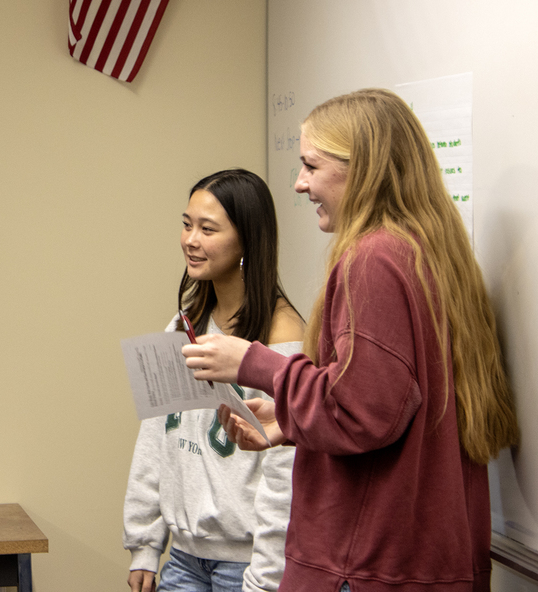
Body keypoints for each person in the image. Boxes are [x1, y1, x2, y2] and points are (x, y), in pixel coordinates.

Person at [184, 89, 521, 591]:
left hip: (364, 566)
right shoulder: (431, 251)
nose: (300, 184)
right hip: (419, 560)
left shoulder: (373, 259)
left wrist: (256, 364)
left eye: (311, 166)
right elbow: (389, 401)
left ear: (362, 168)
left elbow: (361, 415)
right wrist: (292, 419)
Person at [124, 169, 304, 592]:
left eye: (208, 229)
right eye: (187, 225)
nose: (191, 240)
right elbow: (156, 438)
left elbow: (286, 473)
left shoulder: (284, 337)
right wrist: (146, 543)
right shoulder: (183, 325)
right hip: (183, 560)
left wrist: (264, 577)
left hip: (245, 568)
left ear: (247, 241)